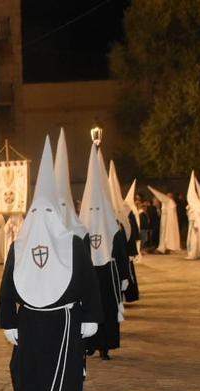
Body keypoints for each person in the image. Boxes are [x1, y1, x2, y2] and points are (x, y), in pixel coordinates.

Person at [0, 138, 99, 391]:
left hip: (64, 322)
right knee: (28, 369)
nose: (41, 221)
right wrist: (8, 321)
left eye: (48, 214)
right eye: (36, 214)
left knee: (63, 372)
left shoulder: (73, 246)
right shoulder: (19, 247)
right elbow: (7, 286)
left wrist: (91, 317)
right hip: (30, 321)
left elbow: (88, 283)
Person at [77, 143, 129, 360]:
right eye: (91, 209)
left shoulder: (114, 228)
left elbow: (121, 252)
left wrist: (124, 276)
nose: (94, 213)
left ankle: (105, 346)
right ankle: (88, 345)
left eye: (98, 209)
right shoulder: (81, 228)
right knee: (88, 310)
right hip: (89, 275)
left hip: (108, 275)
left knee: (107, 312)